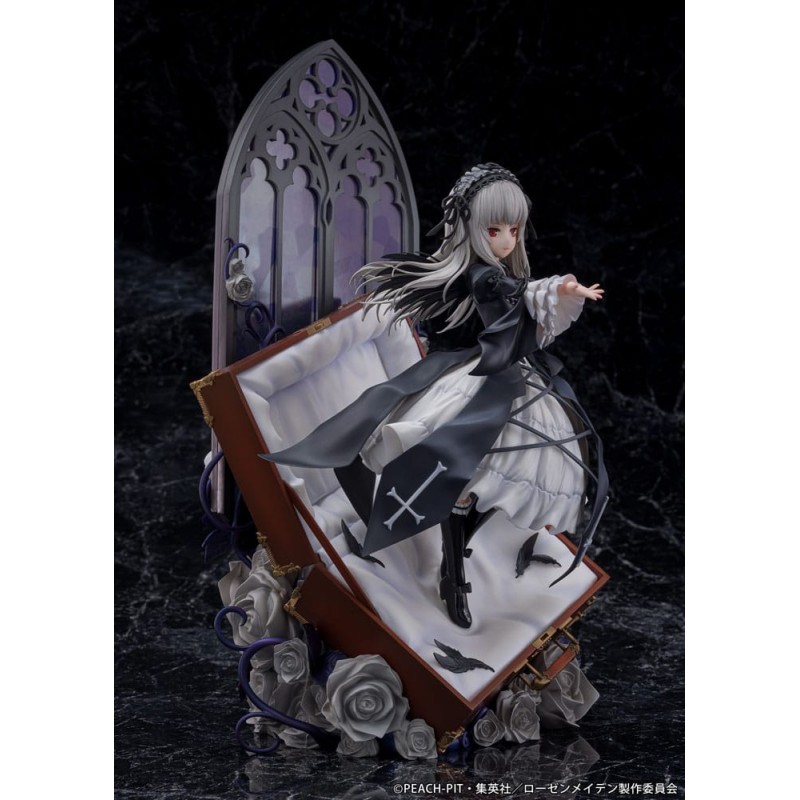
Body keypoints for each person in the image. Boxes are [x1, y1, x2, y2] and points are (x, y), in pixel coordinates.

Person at [264, 163, 607, 629]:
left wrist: (555, 293)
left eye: (514, 230)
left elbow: (524, 307)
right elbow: (518, 291)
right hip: (473, 380)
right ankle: (455, 569)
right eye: (494, 230)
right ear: (471, 228)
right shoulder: (485, 277)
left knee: (497, 478)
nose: (507, 240)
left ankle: (458, 550)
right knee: (461, 468)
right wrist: (559, 288)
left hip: (507, 376)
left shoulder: (497, 270)